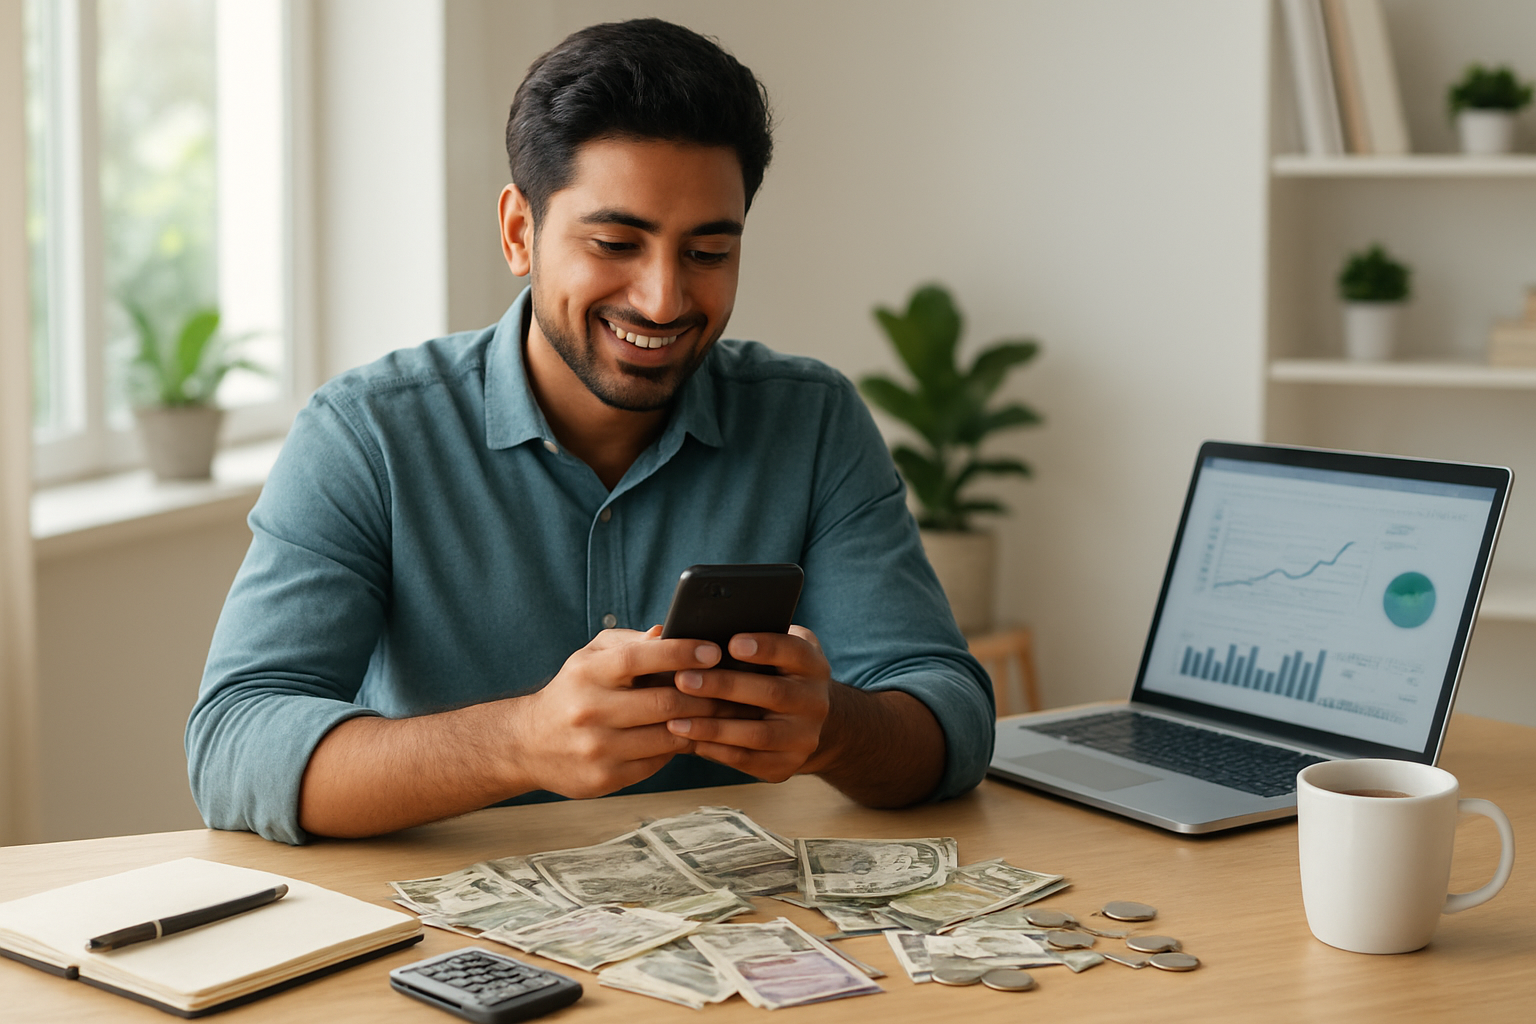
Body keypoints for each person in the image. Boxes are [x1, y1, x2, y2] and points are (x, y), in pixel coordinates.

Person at [186, 18, 994, 845]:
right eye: (615, 243)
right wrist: (519, 743)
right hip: (447, 949)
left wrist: (831, 727)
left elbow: (950, 714)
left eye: (708, 252)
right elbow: (233, 746)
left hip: (742, 933)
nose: (663, 300)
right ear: (518, 232)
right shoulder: (366, 435)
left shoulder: (811, 422)